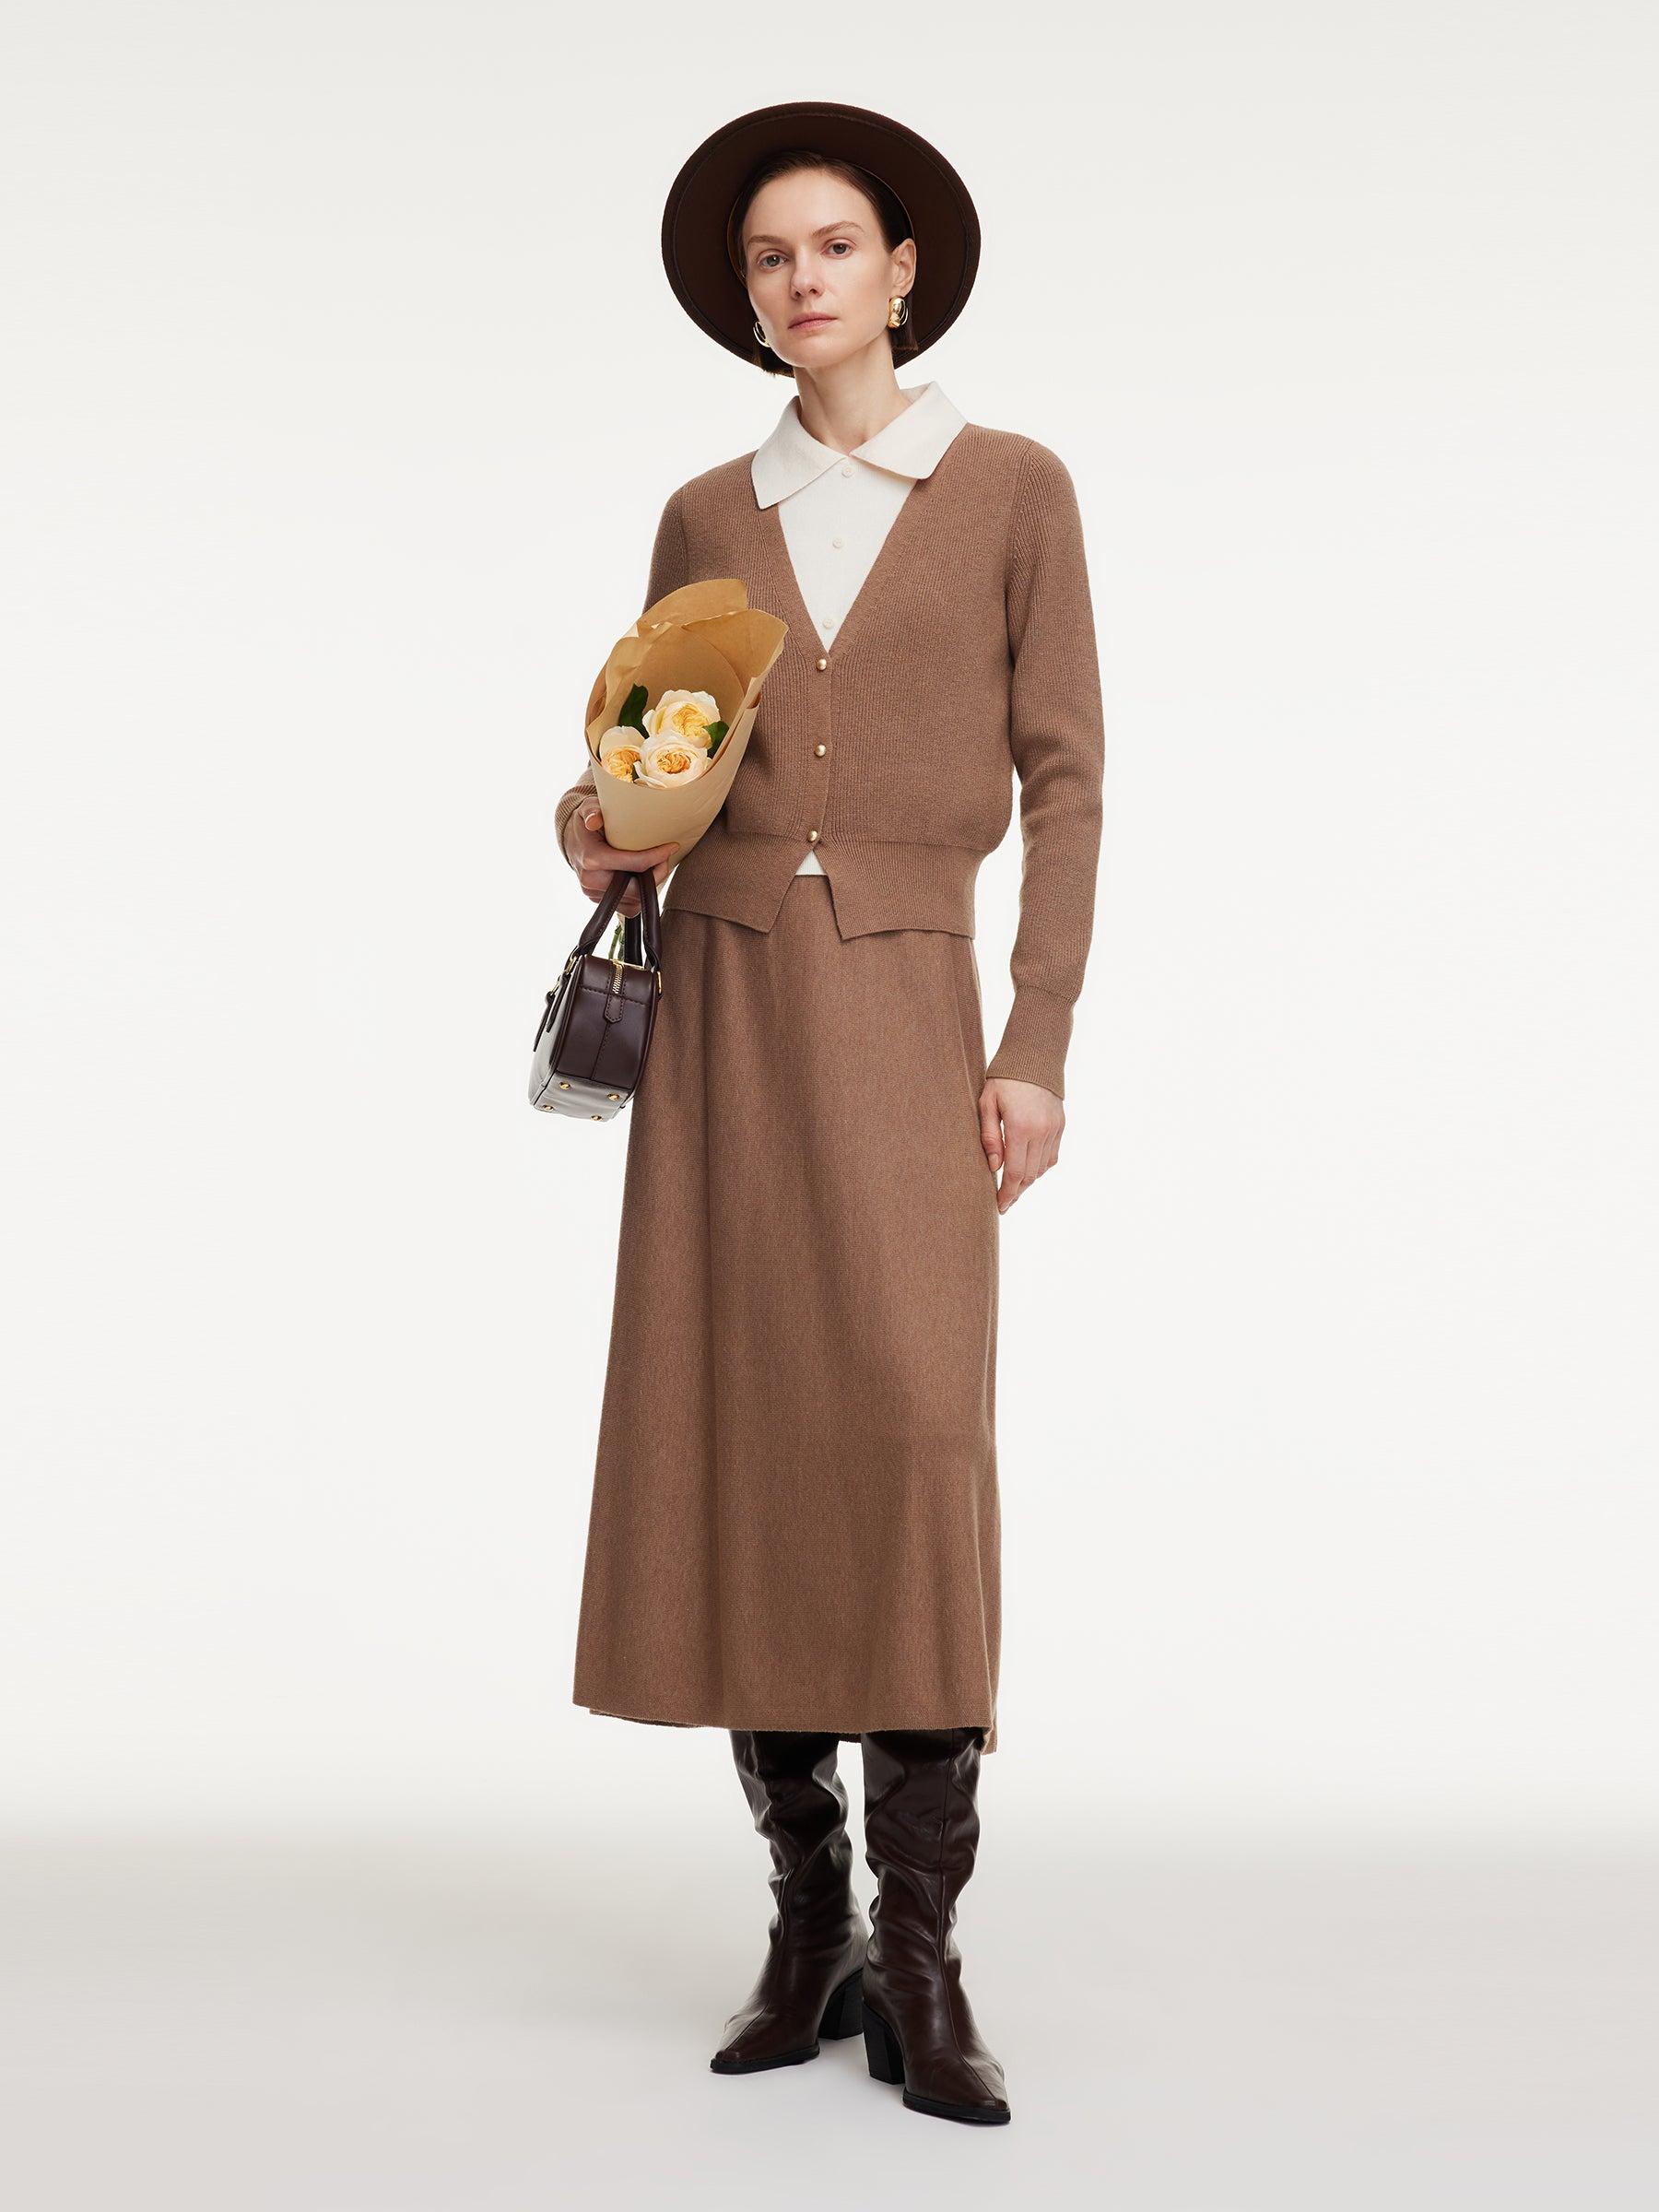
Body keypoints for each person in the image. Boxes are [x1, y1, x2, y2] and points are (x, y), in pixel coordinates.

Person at [553, 101, 1105, 2127]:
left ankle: (924, 1956)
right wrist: (596, 819)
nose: (803, 280)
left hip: (908, 1004)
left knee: (912, 1432)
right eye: (772, 256)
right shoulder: (708, 510)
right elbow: (640, 750)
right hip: (721, 1012)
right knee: (752, 1433)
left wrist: (1035, 1038)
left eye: (835, 246)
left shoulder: (1014, 488)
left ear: (904, 271)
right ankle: (812, 1932)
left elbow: (1070, 777)